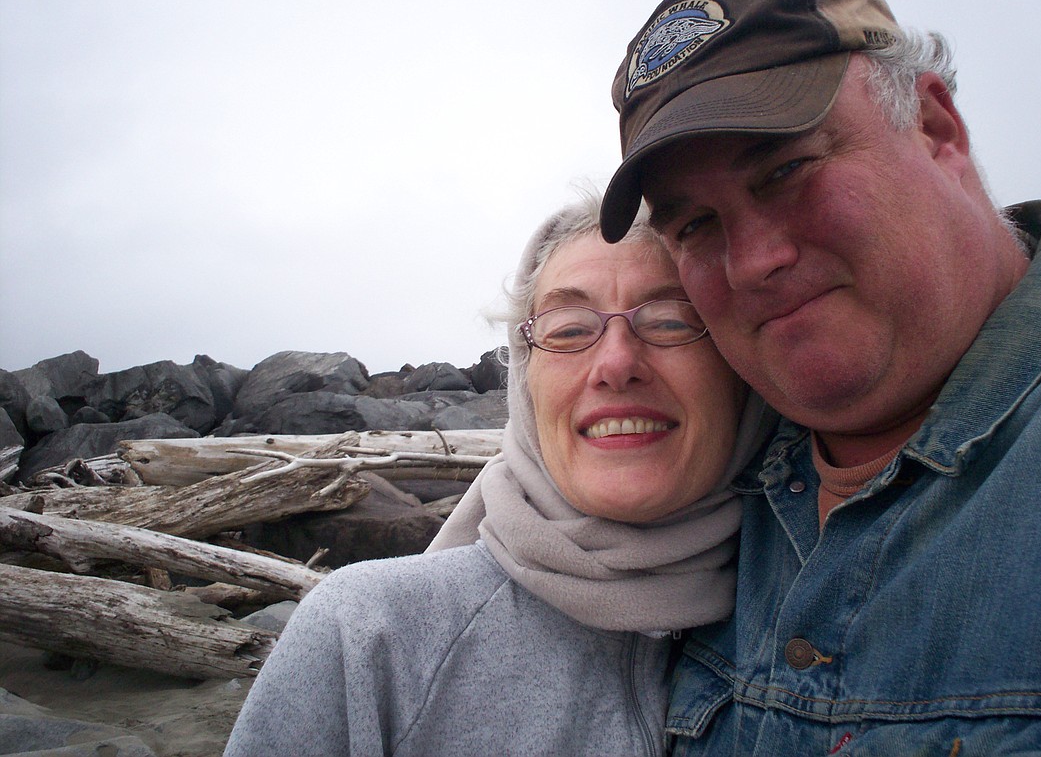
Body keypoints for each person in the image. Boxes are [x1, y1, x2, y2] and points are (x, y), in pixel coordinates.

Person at [598, 0, 1041, 755]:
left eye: (788, 169)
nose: (752, 260)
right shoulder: (700, 492)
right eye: (695, 225)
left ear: (936, 127)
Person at [223, 196, 776, 757]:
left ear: (739, 370)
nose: (615, 364)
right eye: (566, 330)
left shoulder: (834, 612)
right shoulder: (367, 639)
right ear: (524, 381)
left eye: (670, 320)